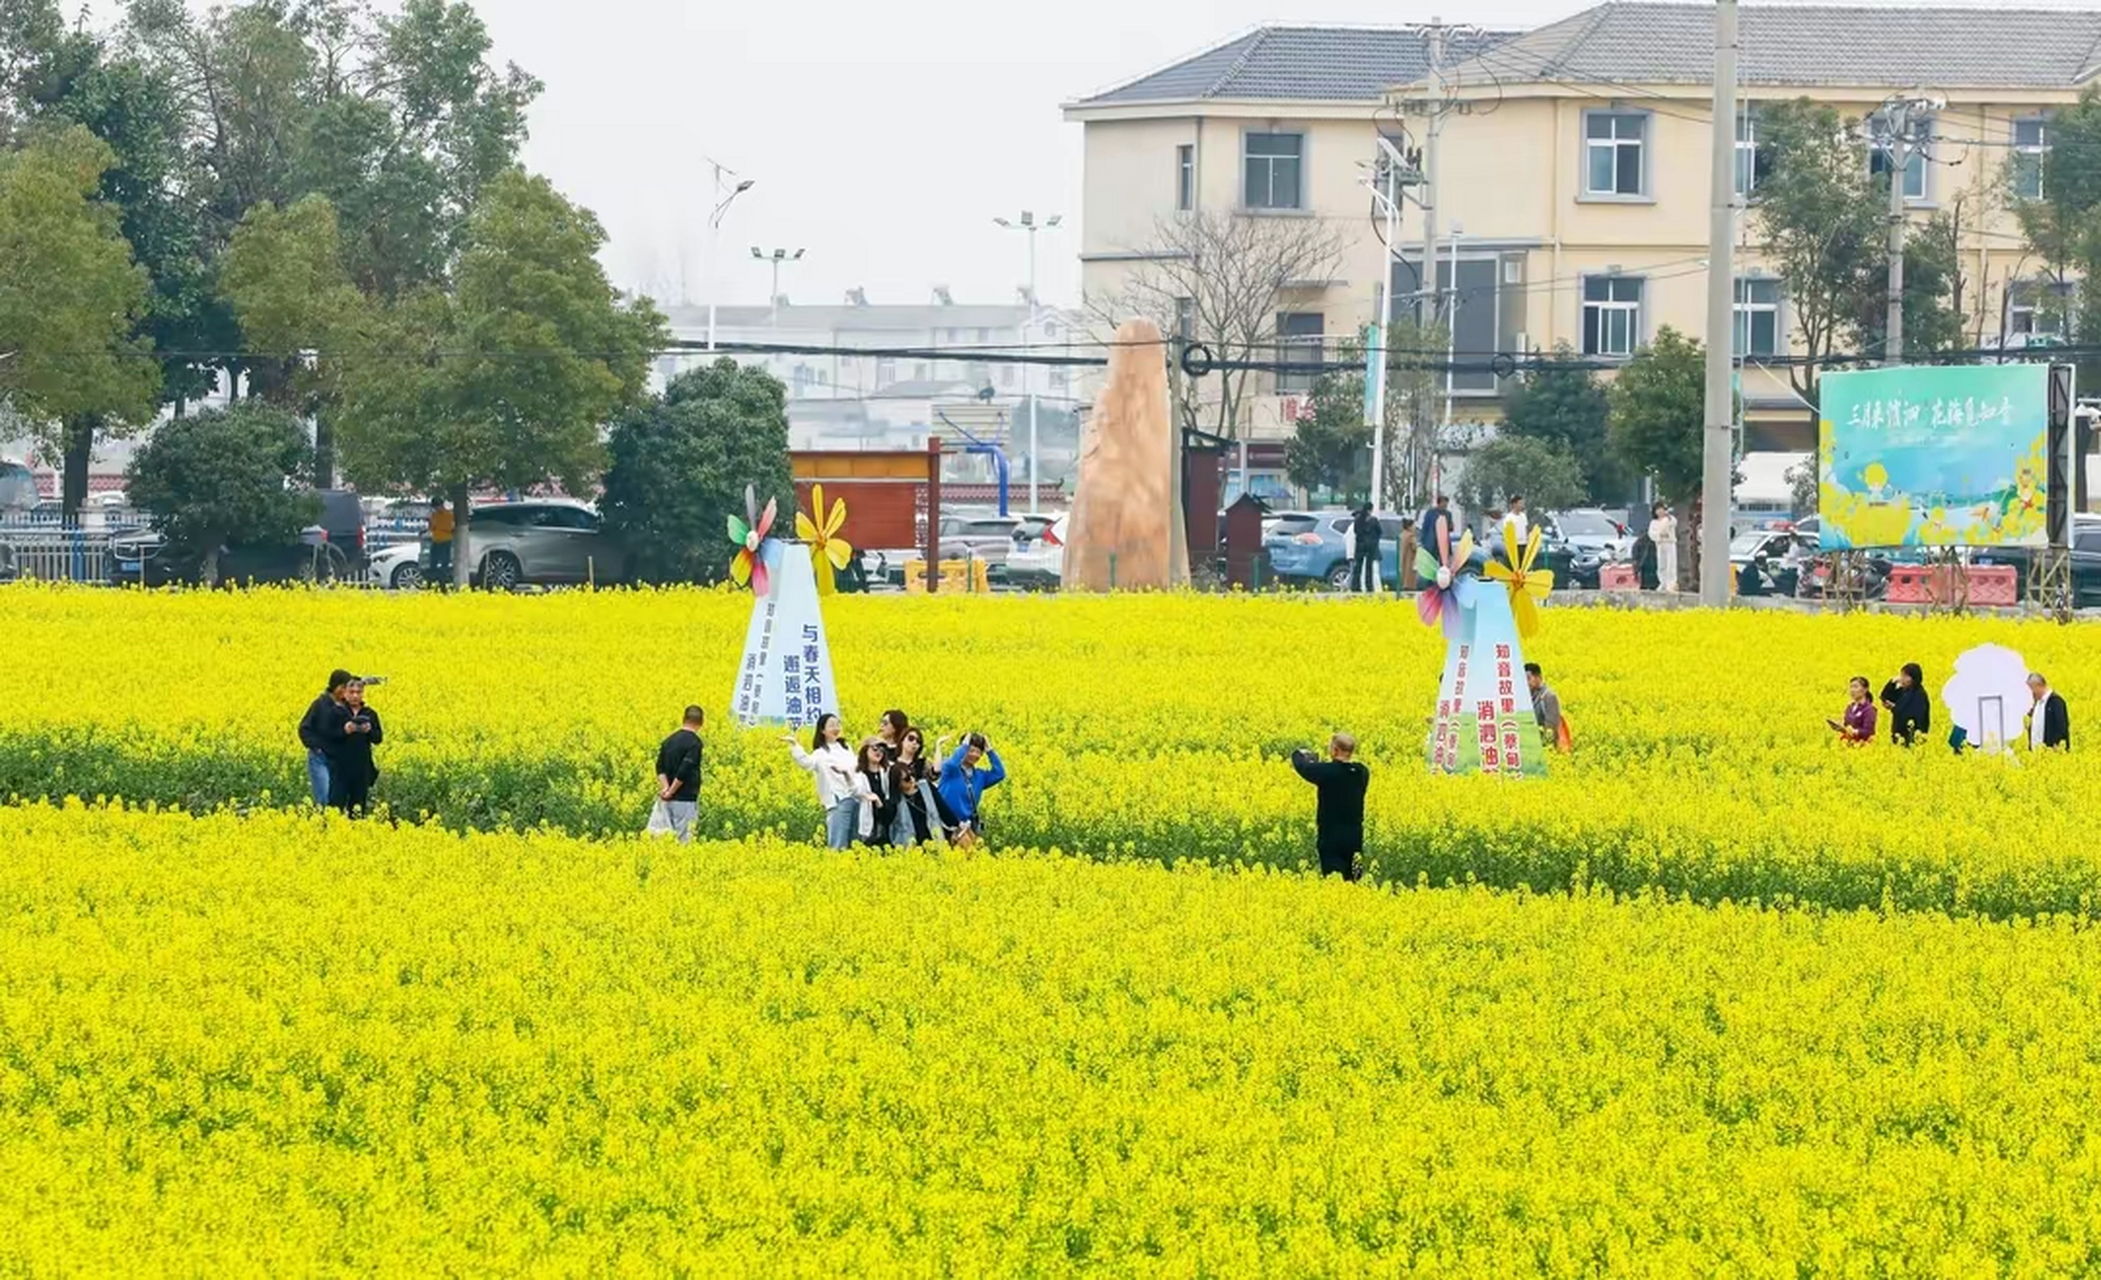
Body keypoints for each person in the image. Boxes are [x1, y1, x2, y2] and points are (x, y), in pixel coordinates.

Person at [1290, 733, 1370, 881]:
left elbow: (1304, 767)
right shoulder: (1362, 772)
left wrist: (1298, 754)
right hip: (1355, 836)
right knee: (1354, 881)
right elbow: (1340, 771)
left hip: (1330, 837)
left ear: (1335, 750)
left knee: (1333, 880)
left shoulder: (1327, 772)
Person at [787, 713, 860, 849]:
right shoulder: (820, 753)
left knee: (855, 843)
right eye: (831, 725)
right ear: (822, 730)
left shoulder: (847, 748)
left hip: (855, 798)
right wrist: (795, 745)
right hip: (838, 800)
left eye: (838, 724)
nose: (836, 728)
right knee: (838, 843)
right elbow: (806, 763)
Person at [935, 732, 1006, 846]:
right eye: (971, 750)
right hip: (942, 824)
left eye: (978, 752)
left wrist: (990, 751)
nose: (975, 755)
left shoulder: (980, 776)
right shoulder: (950, 769)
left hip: (964, 826)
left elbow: (1000, 773)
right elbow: (953, 762)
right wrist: (964, 746)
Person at [298, 669, 354, 808]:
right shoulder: (320, 705)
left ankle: (334, 827)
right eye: (345, 688)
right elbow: (304, 728)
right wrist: (316, 746)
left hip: (341, 760)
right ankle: (323, 827)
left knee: (339, 801)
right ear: (337, 687)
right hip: (320, 759)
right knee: (324, 798)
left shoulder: (347, 707)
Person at [329, 677, 383, 816]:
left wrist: (369, 730)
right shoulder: (336, 712)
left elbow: (378, 739)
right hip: (339, 769)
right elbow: (326, 736)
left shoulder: (370, 714)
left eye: (358, 692)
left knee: (358, 809)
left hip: (361, 768)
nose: (355, 696)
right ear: (344, 693)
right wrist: (345, 731)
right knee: (335, 808)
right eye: (351, 692)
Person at [649, 705, 705, 842]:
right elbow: (684, 770)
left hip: (666, 800)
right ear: (701, 722)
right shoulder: (695, 743)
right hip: (684, 799)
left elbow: (659, 767)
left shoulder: (669, 740)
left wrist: (666, 789)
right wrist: (672, 791)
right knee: (683, 840)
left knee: (663, 838)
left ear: (683, 719)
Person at [855, 739, 898, 847]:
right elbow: (853, 791)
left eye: (882, 750)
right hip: (868, 822)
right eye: (875, 749)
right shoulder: (858, 774)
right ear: (865, 750)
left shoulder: (889, 770)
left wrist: (879, 802)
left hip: (887, 819)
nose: (879, 752)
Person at [1880, 663, 1931, 747]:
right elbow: (1885, 697)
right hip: (1899, 736)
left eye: (1905, 676)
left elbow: (1913, 715)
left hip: (1912, 739)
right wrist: (1892, 683)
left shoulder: (1919, 694)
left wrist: (1894, 708)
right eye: (1901, 675)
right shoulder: (1904, 691)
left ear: (1914, 678)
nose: (1901, 679)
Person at [1525, 662, 1567, 752]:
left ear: (1538, 677)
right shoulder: (1529, 696)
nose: (1526, 683)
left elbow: (1551, 728)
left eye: (1528, 679)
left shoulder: (1549, 696)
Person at [2028, 673, 2071, 751]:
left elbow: (2062, 727)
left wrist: (2057, 746)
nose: (2030, 693)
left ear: (2039, 686)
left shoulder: (2056, 702)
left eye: (2031, 689)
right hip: (2037, 754)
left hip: (2051, 752)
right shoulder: (2037, 703)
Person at [1831, 676, 1877, 743]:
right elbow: (1846, 725)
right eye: (1851, 687)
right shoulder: (1850, 707)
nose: (1852, 690)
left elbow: (1868, 731)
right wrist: (1840, 727)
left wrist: (1854, 731)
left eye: (1855, 687)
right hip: (1847, 742)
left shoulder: (1869, 709)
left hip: (1862, 745)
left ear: (1865, 690)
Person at [1418, 493, 1454, 572]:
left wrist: (1450, 526)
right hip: (1432, 542)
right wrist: (1423, 541)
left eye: (1446, 504)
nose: (1445, 505)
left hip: (1443, 543)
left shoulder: (1448, 514)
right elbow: (1425, 527)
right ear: (1439, 503)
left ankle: (1443, 581)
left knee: (1444, 564)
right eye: (1444, 503)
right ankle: (1430, 582)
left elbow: (1450, 528)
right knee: (1431, 564)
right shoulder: (1430, 513)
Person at [1350, 505, 1381, 594]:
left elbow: (1356, 531)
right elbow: (1379, 532)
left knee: (1357, 568)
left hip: (1360, 546)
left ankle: (1355, 586)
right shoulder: (1373, 520)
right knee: (1369, 568)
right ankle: (1369, 586)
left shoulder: (1358, 520)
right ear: (1370, 510)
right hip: (1370, 546)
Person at [1649, 503, 1678, 593]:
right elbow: (1651, 533)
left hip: (1669, 543)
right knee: (1662, 565)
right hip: (1660, 544)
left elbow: (1674, 522)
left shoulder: (1669, 519)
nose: (1659, 511)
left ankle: (1671, 584)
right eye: (1657, 510)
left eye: (1661, 509)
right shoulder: (1653, 522)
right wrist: (1659, 535)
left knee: (1671, 564)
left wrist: (1668, 516)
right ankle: (1663, 583)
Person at [428, 497, 455, 585]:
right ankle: (432, 583)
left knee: (444, 564)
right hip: (436, 541)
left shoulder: (449, 515)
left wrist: (438, 527)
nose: (436, 509)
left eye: (437, 507)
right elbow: (431, 528)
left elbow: (451, 528)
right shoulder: (434, 515)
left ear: (441, 505)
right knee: (433, 564)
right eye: (435, 508)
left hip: (446, 541)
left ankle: (442, 583)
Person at [1398, 516, 1419, 592]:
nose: (1415, 527)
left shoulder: (1402, 535)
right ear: (1409, 527)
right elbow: (1415, 548)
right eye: (1413, 526)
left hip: (1403, 559)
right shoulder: (1411, 536)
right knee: (1410, 580)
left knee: (1404, 577)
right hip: (1410, 561)